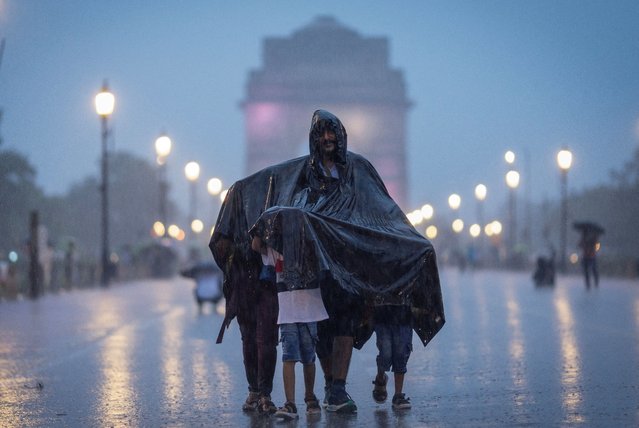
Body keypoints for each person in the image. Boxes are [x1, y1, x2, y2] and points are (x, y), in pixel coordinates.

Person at [209, 109, 445, 415]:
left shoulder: (358, 171)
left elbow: (384, 213)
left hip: (347, 265)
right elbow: (271, 182)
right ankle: (328, 385)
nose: (328, 138)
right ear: (313, 139)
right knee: (322, 330)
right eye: (321, 133)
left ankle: (336, 388)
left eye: (332, 132)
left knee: (344, 322)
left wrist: (413, 244)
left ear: (341, 136)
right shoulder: (302, 175)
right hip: (318, 269)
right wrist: (239, 195)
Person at [250, 235, 325, 420]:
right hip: (289, 313)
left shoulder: (311, 245)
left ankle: (309, 397)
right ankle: (290, 403)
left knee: (309, 357)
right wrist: (262, 229)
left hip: (309, 312)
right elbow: (256, 246)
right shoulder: (277, 249)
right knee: (289, 357)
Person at [371, 293, 413, 410]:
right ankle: (380, 378)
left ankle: (398, 394)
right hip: (382, 312)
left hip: (404, 311)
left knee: (401, 353)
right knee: (385, 353)